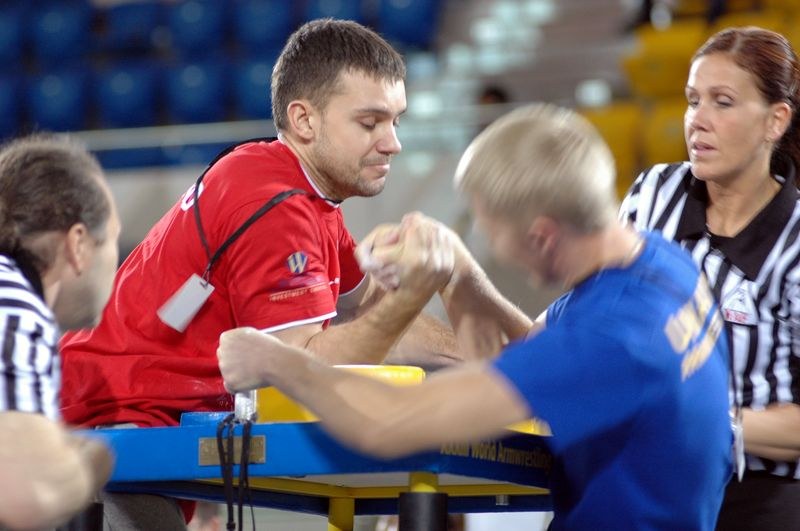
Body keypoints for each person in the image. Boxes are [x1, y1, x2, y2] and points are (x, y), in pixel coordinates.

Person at [218, 103, 733, 530]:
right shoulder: (659, 266)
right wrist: (458, 271)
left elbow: (391, 425)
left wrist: (280, 362)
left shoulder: (610, 341)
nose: (494, 249)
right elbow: (534, 353)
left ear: (542, 235)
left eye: (491, 231)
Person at [59, 18, 460, 529]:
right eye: (370, 123)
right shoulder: (275, 204)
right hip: (104, 419)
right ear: (304, 120)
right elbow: (302, 365)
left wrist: (489, 355)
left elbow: (371, 311)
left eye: (396, 121)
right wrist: (420, 291)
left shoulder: (303, 192)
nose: (393, 143)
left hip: (151, 421)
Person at [620, 26, 800, 530]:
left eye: (722, 102)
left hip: (758, 500)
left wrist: (701, 419)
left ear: (775, 121)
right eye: (692, 100)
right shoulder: (653, 193)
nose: (697, 120)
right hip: (642, 480)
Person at [0, 134, 119, 530]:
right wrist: (90, 459)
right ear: (79, 244)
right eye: (113, 239)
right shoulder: (14, 307)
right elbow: (28, 492)